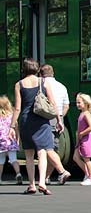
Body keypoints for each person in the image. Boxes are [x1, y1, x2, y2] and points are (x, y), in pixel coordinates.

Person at [13, 58, 57, 196]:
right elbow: (52, 102)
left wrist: (11, 126)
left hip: (26, 121)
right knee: (42, 152)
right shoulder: (43, 82)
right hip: (41, 120)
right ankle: (42, 183)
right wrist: (59, 120)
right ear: (37, 68)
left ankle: (31, 184)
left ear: (24, 69)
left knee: (29, 155)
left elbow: (17, 108)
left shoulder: (19, 84)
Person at [39, 64, 72, 185]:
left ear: (41, 74)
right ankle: (47, 177)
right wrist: (60, 117)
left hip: (45, 119)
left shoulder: (42, 85)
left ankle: (61, 172)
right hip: (59, 120)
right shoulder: (62, 86)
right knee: (54, 149)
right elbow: (66, 105)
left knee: (45, 148)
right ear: (53, 73)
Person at [73, 93, 91, 186]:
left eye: (79, 102)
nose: (77, 104)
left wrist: (82, 133)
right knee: (76, 157)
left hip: (86, 139)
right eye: (77, 102)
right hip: (80, 139)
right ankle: (87, 174)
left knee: (86, 159)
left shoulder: (86, 114)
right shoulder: (82, 114)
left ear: (86, 103)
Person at [0, 95, 23, 184]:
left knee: (1, 161)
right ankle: (18, 173)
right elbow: (16, 128)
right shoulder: (12, 117)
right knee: (13, 159)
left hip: (1, 142)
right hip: (11, 141)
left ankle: (0, 179)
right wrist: (17, 139)